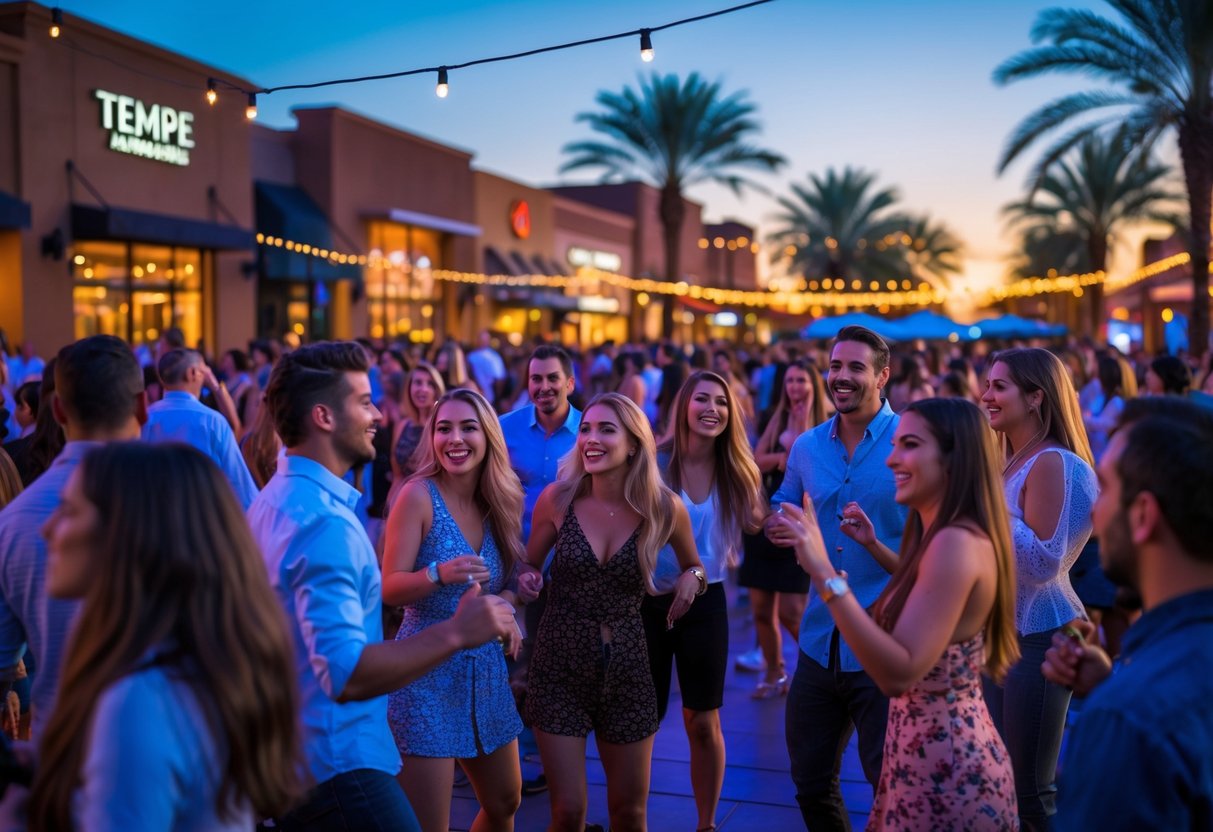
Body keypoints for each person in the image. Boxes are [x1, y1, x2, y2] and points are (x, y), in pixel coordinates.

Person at [247, 341, 518, 831]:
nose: (378, 415)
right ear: (325, 416)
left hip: (294, 751)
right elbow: (346, 672)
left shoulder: (275, 501)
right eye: (365, 401)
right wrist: (457, 631)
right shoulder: (323, 523)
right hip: (335, 761)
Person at [30, 443, 303, 829]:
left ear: (128, 534)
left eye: (69, 510)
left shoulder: (138, 701)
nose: (48, 526)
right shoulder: (187, 673)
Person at [776, 398, 1020, 830]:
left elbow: (898, 672)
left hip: (945, 772)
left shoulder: (955, 543)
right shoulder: (944, 534)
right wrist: (871, 544)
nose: (892, 458)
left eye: (909, 445)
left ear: (953, 457)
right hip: (925, 759)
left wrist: (822, 572)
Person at [524, 392, 704, 832]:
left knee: (630, 813)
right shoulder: (557, 499)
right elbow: (529, 564)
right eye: (586, 428)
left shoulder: (663, 507)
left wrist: (691, 579)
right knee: (567, 813)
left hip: (628, 669)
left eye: (607, 429)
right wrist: (526, 579)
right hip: (558, 669)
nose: (591, 438)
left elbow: (695, 566)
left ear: (634, 444)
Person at [1042, 404, 1213, 831]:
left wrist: (1118, 702)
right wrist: (1112, 683)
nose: (1095, 514)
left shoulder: (1127, 719)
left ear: (1143, 516)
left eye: (1106, 488)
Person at [765, 325, 907, 830]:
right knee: (809, 782)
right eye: (835, 366)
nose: (841, 377)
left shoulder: (910, 441)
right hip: (819, 642)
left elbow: (932, 542)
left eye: (855, 368)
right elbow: (784, 500)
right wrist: (778, 521)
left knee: (890, 786)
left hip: (886, 639)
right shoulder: (807, 446)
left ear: (883, 376)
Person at [382, 388, 530, 832]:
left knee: (506, 801)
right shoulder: (418, 495)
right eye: (443, 428)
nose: (455, 439)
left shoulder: (501, 498)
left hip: (485, 669)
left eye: (468, 427)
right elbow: (388, 587)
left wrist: (512, 597)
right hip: (425, 669)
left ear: (488, 436)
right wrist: (436, 574)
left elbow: (497, 583)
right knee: (431, 824)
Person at [0, 336, 146, 741]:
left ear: (58, 409)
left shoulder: (14, 522)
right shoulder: (196, 504)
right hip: (184, 772)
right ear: (142, 406)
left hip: (64, 762)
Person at [980, 347, 1097, 831]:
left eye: (998, 387)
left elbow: (1041, 563)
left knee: (1030, 789)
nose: (986, 396)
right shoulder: (1010, 459)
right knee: (1000, 779)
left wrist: (985, 501)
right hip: (1000, 634)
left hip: (1040, 634)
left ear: (1035, 398)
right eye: (987, 385)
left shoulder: (1054, 462)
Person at [644, 371, 764, 831]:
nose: (712, 409)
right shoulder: (654, 461)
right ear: (683, 407)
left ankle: (707, 823)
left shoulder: (738, 469)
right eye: (702, 399)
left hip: (707, 602)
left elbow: (758, 525)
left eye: (721, 401)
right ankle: (632, 816)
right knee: (642, 720)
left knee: (701, 718)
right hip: (649, 601)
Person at [499, 344, 582, 797]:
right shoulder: (506, 428)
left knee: (559, 666)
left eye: (553, 379)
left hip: (570, 568)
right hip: (516, 564)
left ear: (570, 383)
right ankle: (513, 755)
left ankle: (551, 758)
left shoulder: (589, 432)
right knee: (515, 661)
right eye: (536, 379)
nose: (544, 387)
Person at [739, 358, 826, 691]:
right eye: (790, 380)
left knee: (792, 611)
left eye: (801, 380)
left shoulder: (825, 422)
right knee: (762, 608)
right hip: (766, 515)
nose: (795, 387)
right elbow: (755, 462)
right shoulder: (774, 418)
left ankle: (813, 672)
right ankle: (774, 672)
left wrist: (793, 448)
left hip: (799, 517)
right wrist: (782, 457)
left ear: (813, 384)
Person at [142, 348, 259, 510]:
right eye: (204, 370)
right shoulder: (213, 421)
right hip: (201, 522)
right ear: (192, 373)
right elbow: (241, 488)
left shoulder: (147, 418)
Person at [387, 363, 445, 507]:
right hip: (401, 503)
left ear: (437, 390)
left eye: (430, 384)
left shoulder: (441, 427)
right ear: (409, 388)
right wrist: (389, 509)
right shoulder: (402, 425)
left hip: (433, 506)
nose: (423, 389)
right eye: (418, 383)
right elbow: (398, 476)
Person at [468, 330, 508, 409]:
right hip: (474, 392)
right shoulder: (471, 356)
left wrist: (497, 396)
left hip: (490, 395)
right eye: (480, 339)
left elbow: (500, 378)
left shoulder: (494, 357)